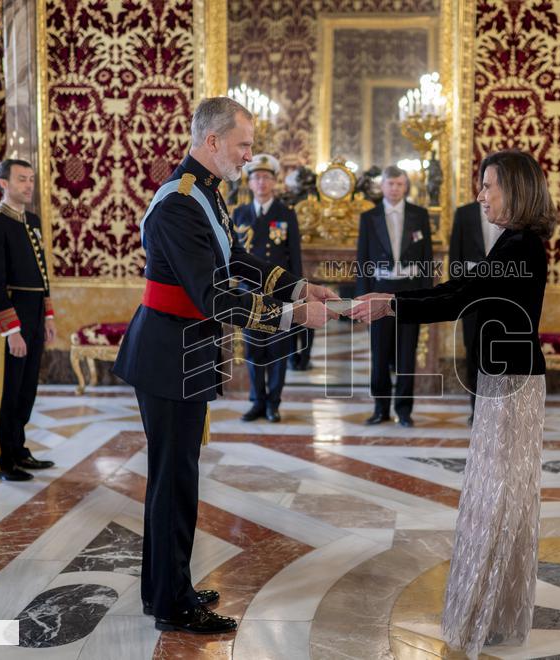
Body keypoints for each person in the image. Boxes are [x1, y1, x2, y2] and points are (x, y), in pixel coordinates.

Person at [112, 97, 339, 635]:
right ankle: (172, 604)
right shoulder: (178, 203)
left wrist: (299, 285)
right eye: (243, 144)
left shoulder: (207, 194)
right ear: (211, 141)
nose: (249, 153)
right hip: (168, 356)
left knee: (179, 477)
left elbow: (237, 260)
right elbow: (215, 298)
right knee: (173, 481)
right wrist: (292, 316)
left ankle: (167, 588)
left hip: (183, 352)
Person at [351, 150, 556, 657]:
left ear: (516, 190)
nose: (480, 195)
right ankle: (492, 611)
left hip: (513, 381)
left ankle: (488, 611)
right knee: (495, 495)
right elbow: (461, 290)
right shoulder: (513, 241)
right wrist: (391, 301)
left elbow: (457, 297)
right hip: (502, 376)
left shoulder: (523, 246)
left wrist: (391, 302)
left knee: (500, 497)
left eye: (488, 186)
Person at [0, 159, 57, 482]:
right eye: (21, 179)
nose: (28, 185)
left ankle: (19, 449)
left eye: (31, 180)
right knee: (6, 391)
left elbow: (42, 273)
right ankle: (1, 460)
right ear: (3, 183)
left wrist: (48, 315)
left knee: (26, 390)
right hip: (10, 318)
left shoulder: (33, 221)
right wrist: (11, 331)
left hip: (35, 313)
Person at [354, 165, 433, 427]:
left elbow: (426, 260)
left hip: (410, 292)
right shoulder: (369, 217)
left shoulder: (419, 215)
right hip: (379, 291)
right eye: (390, 184)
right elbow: (362, 260)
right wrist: (362, 300)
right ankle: (380, 408)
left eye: (400, 184)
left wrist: (426, 299)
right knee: (379, 354)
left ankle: (405, 410)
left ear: (405, 186)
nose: (395, 189)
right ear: (382, 186)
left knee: (406, 354)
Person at [233, 154, 303, 422]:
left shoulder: (286, 215)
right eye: (256, 178)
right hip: (248, 295)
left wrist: (298, 295)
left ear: (274, 182)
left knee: (277, 350)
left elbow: (294, 258)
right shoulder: (239, 214)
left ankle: (274, 403)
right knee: (253, 350)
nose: (261, 182)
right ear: (249, 183)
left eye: (266, 177)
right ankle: (257, 400)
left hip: (279, 296)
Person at [448, 199, 504, 425]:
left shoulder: (510, 210)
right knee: (473, 352)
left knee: (499, 353)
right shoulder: (464, 213)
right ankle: (477, 409)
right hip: (471, 297)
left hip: (502, 298)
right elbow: (455, 258)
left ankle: (499, 409)